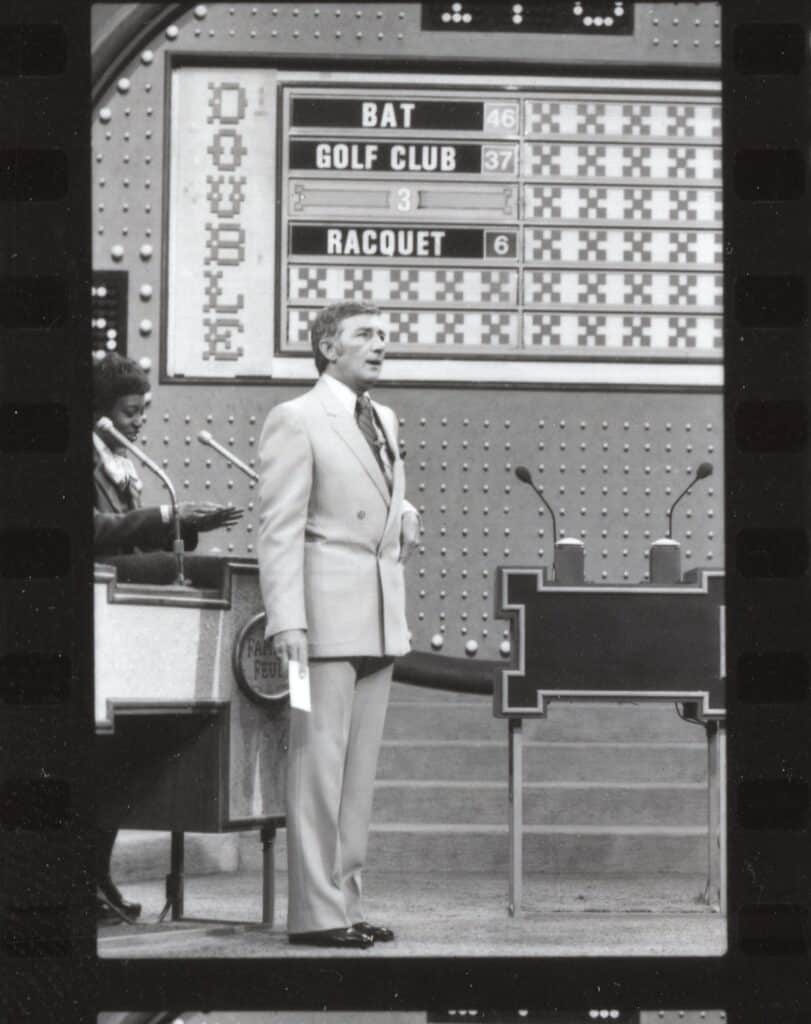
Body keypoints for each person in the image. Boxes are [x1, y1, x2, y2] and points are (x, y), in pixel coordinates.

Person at [257, 301, 420, 949]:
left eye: (384, 335)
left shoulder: (381, 416)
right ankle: (316, 915)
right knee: (315, 770)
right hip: (317, 626)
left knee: (356, 776)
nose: (380, 345)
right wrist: (286, 621)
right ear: (327, 347)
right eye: (364, 335)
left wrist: (403, 506)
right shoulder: (294, 418)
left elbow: (367, 484)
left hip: (378, 620)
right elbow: (279, 527)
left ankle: (345, 905)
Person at [92, 352, 242, 923]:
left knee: (115, 763)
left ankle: (95, 875)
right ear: (100, 410)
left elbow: (131, 541)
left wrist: (182, 526)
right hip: (96, 620)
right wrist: (161, 519)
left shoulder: (119, 460)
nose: (139, 422)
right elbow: (91, 530)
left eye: (143, 410)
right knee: (98, 760)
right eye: (130, 411)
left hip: (128, 627)